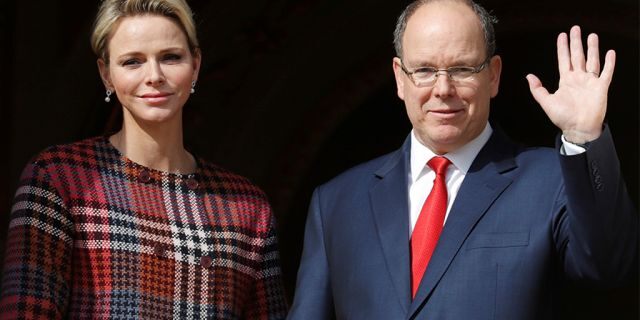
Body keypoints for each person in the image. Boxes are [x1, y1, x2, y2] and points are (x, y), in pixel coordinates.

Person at [287, 0, 637, 319]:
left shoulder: (550, 180)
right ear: (399, 78)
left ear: (493, 75)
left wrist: (583, 135)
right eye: (424, 70)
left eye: (462, 69)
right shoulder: (337, 202)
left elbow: (609, 266)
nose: (442, 88)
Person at [0, 0, 288, 318]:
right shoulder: (58, 178)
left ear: (195, 65)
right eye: (132, 62)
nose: (154, 76)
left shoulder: (247, 206)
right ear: (106, 74)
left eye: (170, 57)